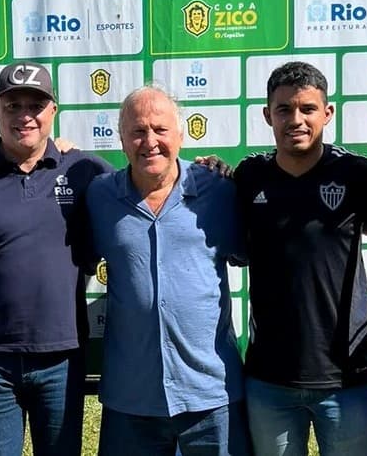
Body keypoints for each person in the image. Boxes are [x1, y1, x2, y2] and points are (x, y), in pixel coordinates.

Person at [0, 61, 111, 456]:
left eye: (36, 104)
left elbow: (147, 184)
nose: (24, 115)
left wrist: (202, 169)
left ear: (53, 111)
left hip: (62, 357)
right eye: (13, 105)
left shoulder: (83, 170)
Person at [234, 62, 367, 456]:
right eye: (284, 109)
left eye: (307, 108)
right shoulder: (248, 177)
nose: (296, 119)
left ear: (328, 113)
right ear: (267, 114)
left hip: (346, 378)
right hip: (269, 378)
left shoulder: (358, 175)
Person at [85, 85, 248, 456]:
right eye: (138, 131)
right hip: (131, 397)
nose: (150, 141)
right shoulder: (99, 196)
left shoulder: (221, 190)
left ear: (181, 133)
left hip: (211, 393)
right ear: (122, 139)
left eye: (160, 130)